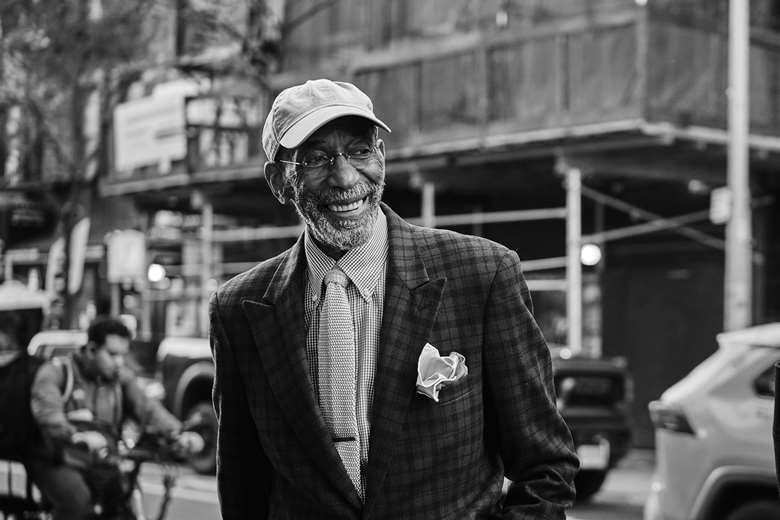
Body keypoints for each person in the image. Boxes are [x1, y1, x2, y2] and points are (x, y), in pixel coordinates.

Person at [209, 78, 579, 519]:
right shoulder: (239, 310)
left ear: (381, 157)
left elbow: (546, 467)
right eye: (316, 159)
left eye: (360, 151)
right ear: (279, 181)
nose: (345, 177)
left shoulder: (482, 274)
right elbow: (242, 486)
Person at [27, 316, 203, 520]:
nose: (119, 362)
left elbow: (148, 409)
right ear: (92, 350)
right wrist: (76, 436)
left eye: (122, 355)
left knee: (123, 505)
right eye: (112, 354)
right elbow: (48, 415)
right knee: (77, 502)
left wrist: (179, 434)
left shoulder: (120, 380)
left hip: (102, 462)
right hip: (57, 461)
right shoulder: (56, 373)